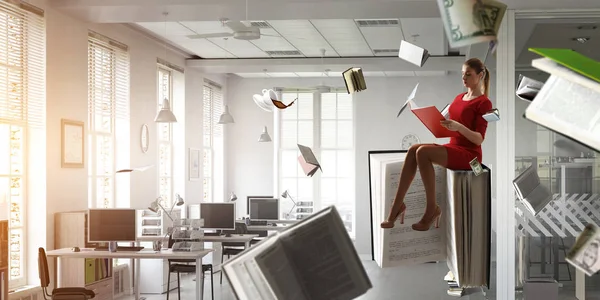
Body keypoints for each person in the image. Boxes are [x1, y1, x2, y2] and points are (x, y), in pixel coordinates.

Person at [381, 58, 493, 231]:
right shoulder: (458, 97)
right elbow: (447, 118)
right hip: (453, 146)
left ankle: (431, 209)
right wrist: (434, 120)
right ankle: (397, 206)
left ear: (480, 75)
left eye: (468, 75)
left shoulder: (484, 103)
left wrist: (458, 127)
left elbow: (479, 138)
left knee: (423, 153)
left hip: (471, 155)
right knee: (413, 149)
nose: (463, 78)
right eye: (462, 74)